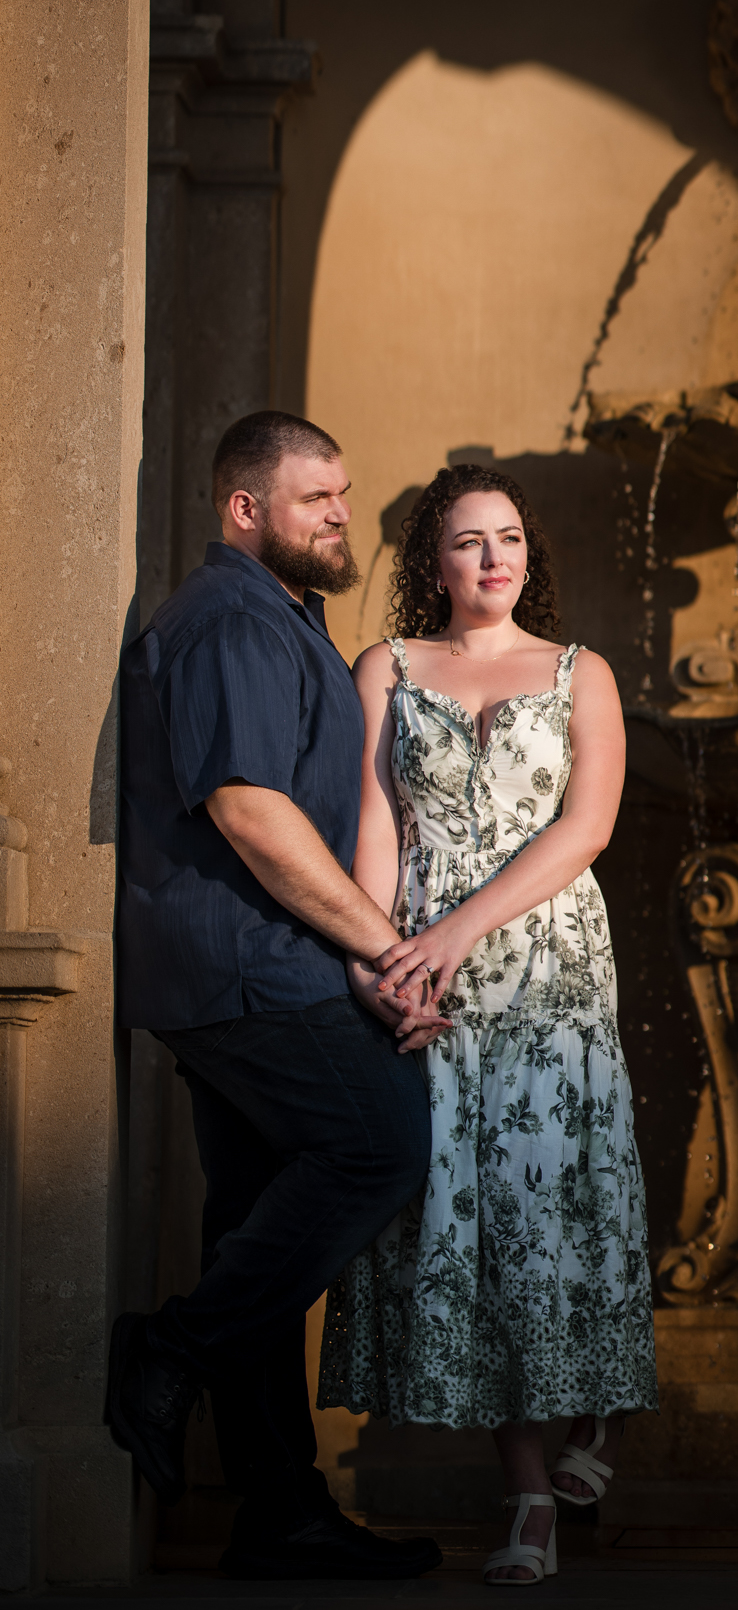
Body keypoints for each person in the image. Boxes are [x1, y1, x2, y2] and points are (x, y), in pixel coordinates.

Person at [110, 409, 447, 1582]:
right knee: (380, 1147)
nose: (342, 515)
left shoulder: (278, 621)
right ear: (244, 508)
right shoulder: (226, 620)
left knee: (252, 1218)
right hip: (245, 967)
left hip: (252, 967)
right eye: (317, 499)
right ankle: (172, 1349)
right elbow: (251, 814)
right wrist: (384, 949)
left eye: (345, 495)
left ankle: (279, 1510)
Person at [319, 463, 657, 1587]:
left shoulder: (580, 674)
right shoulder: (387, 667)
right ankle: (526, 1499)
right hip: (428, 979)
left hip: (548, 971)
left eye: (507, 537)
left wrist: (458, 929)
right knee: (459, 1225)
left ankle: (600, 1417)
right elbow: (376, 822)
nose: (491, 557)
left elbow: (588, 827)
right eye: (467, 541)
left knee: (562, 1206)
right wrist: (379, 963)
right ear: (433, 560)